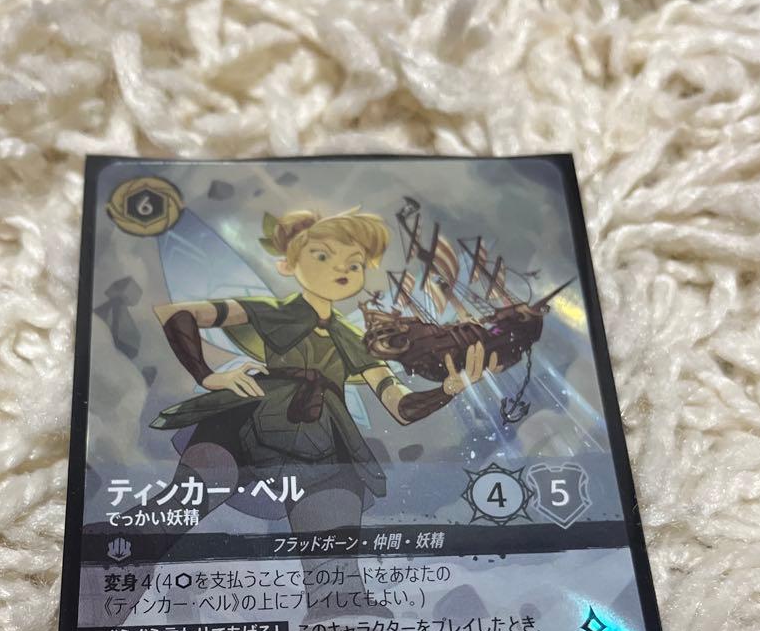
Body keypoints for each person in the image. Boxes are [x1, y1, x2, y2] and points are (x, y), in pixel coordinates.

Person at [151, 206, 501, 539]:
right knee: (165, 522)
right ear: (288, 265)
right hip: (247, 424)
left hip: (327, 446)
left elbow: (400, 407)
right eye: (322, 256)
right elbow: (178, 314)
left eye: (355, 263)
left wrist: (448, 389)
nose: (341, 268)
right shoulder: (271, 311)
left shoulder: (356, 340)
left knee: (335, 563)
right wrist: (207, 375)